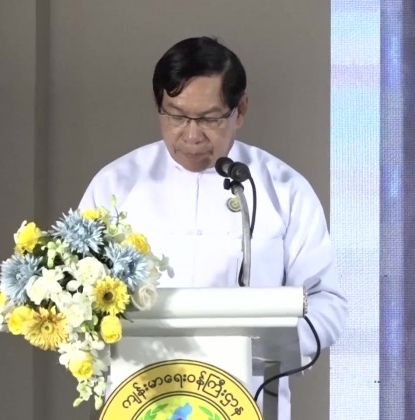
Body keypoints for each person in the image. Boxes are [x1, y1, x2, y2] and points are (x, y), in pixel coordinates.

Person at [77, 36, 348, 419]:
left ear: (240, 111)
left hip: (249, 401)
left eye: (208, 119)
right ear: (158, 105)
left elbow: (326, 302)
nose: (191, 135)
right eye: (176, 116)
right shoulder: (116, 185)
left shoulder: (283, 188)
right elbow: (77, 293)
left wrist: (270, 346)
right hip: (139, 400)